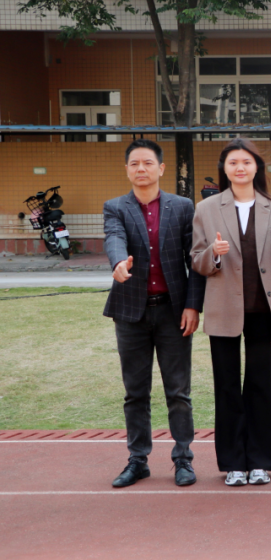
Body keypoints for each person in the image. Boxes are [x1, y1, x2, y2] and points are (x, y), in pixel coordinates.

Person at [103, 138, 205, 488]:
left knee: (178, 392)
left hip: (173, 312)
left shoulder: (183, 207)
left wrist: (192, 305)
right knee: (135, 392)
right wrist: (119, 262)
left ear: (161, 168)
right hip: (130, 312)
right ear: (127, 170)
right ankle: (138, 460)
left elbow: (194, 259)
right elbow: (114, 238)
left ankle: (183, 459)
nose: (141, 169)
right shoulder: (115, 207)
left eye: (148, 163)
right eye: (134, 163)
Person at [191, 139, 271, 487]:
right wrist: (214, 254)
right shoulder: (206, 208)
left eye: (246, 162)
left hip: (263, 310)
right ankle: (234, 462)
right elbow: (196, 259)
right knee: (227, 386)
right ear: (224, 168)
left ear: (256, 167)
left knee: (260, 384)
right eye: (233, 162)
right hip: (223, 310)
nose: (240, 168)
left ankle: (261, 461)